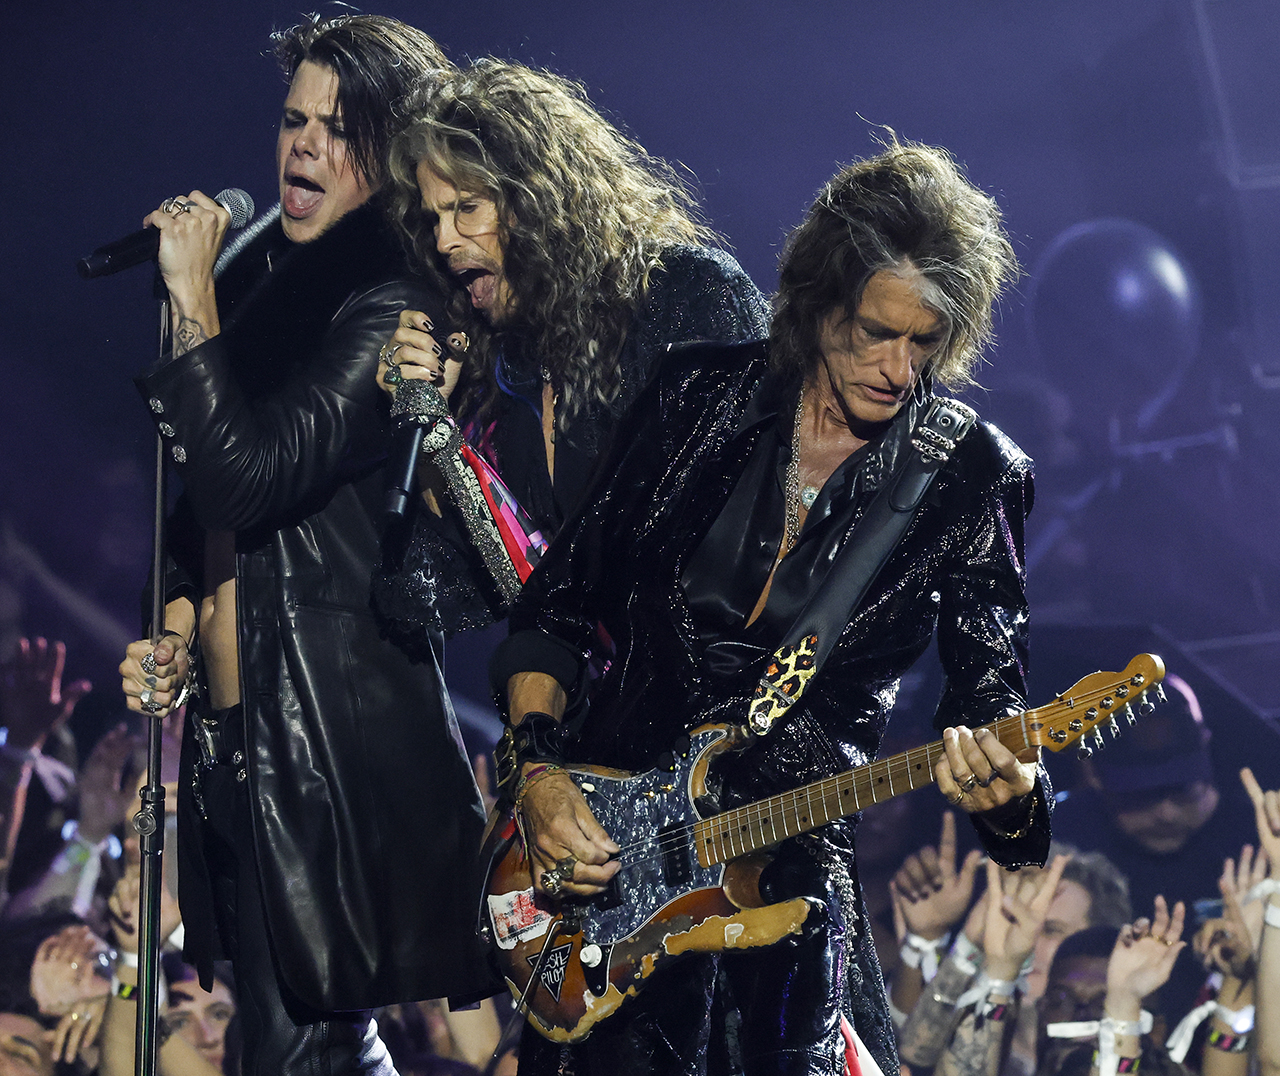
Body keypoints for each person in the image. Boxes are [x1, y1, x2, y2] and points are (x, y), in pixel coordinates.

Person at [492, 140, 1048, 1075]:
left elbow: (989, 692)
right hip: (608, 870)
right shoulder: (695, 395)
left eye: (925, 341)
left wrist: (1012, 790)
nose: (900, 369)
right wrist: (537, 773)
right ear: (818, 305)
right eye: (876, 331)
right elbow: (555, 610)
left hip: (781, 895)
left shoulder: (968, 475)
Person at [115, 15, 490, 1074]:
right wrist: (180, 626)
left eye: (340, 128)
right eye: (293, 120)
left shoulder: (392, 311)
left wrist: (190, 294)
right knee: (290, 1044)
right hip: (239, 738)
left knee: (303, 1047)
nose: (304, 146)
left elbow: (251, 471)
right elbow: (204, 514)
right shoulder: (268, 298)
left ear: (397, 155)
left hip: (320, 748)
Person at [369, 58, 770, 642]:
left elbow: (754, 526)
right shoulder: (512, 367)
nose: (444, 241)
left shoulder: (685, 293)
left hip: (727, 699)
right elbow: (444, 595)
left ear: (537, 199)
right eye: (434, 218)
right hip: (595, 718)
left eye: (465, 208)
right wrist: (429, 429)